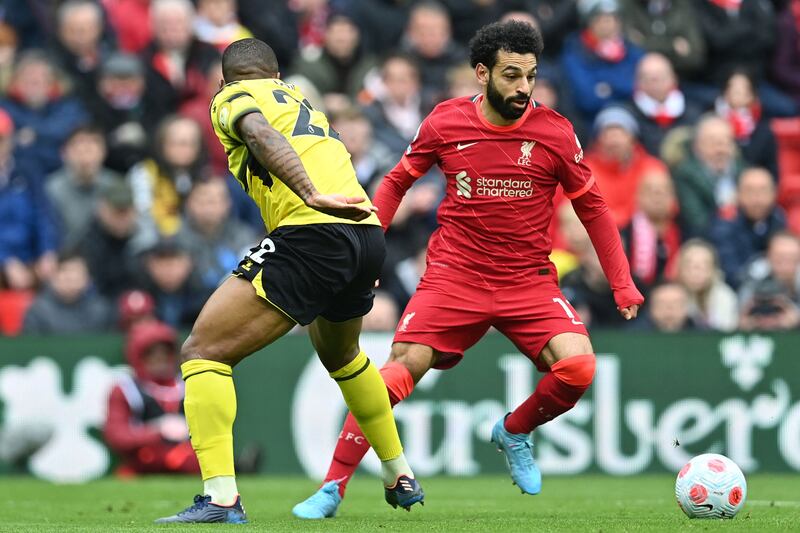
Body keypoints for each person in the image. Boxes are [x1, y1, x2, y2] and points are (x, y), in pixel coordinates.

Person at [293, 20, 643, 519]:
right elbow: (394, 184)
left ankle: (514, 430)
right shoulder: (445, 122)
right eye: (511, 75)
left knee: (580, 367)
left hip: (527, 281)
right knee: (394, 373)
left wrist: (621, 281)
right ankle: (332, 487)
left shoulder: (556, 133)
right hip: (454, 277)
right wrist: (367, 253)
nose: (523, 88)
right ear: (481, 73)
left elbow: (593, 208)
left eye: (530, 76)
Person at [155, 38, 423, 524]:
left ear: (225, 79)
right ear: (277, 76)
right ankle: (398, 471)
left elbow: (259, 136)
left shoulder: (232, 98)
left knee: (202, 352)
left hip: (313, 228)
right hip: (364, 234)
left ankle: (219, 498)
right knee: (343, 356)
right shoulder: (303, 103)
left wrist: (309, 194)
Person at [104, 320, 200, 476]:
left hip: (186, 457)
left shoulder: (188, 384)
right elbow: (117, 436)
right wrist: (158, 431)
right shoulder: (125, 388)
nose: (159, 360)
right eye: (152, 355)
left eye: (164, 354)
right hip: (143, 462)